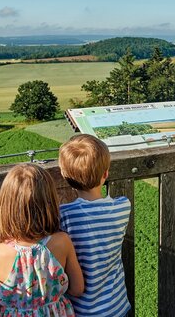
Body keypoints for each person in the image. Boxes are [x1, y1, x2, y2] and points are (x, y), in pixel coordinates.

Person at [0, 163, 84, 317]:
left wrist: (6, 291)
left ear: (5, 207)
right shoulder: (62, 242)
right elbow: (77, 289)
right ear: (49, 203)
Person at [58, 134, 131, 317]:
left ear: (65, 177)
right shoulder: (123, 206)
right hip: (117, 306)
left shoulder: (64, 215)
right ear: (105, 175)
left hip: (82, 310)